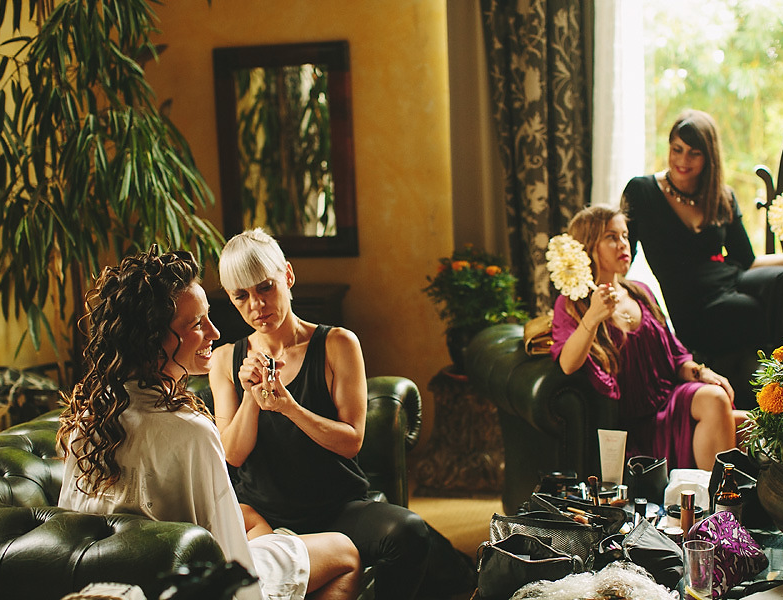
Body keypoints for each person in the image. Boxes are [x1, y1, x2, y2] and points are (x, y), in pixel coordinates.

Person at [57, 248, 361, 600]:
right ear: (155, 341)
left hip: (128, 586)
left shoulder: (87, 420)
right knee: (344, 552)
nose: (215, 332)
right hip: (203, 587)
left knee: (258, 525)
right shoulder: (192, 432)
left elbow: (70, 537)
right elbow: (232, 559)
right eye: (198, 324)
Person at [210, 229, 474, 600]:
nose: (256, 305)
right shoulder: (225, 360)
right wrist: (254, 397)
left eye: (265, 287)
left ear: (287, 275)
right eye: (242, 296)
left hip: (335, 508)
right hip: (266, 516)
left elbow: (351, 441)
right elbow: (232, 455)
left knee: (410, 531)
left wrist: (289, 407)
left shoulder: (337, 344)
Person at [621, 109, 783, 358]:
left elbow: (748, 262)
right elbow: (622, 255)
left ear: (709, 157)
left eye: (694, 153)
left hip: (732, 281)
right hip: (693, 306)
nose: (683, 160)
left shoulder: (721, 197)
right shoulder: (641, 191)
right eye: (677, 149)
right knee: (749, 309)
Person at [551, 206, 749, 471]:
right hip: (640, 423)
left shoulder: (640, 291)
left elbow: (676, 357)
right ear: (588, 246)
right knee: (715, 401)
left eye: (625, 235)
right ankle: (717, 505)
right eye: (611, 237)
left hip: (672, 399)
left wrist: (702, 373)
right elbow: (568, 363)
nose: (623, 244)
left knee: (754, 424)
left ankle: (739, 507)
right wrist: (594, 316)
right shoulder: (572, 304)